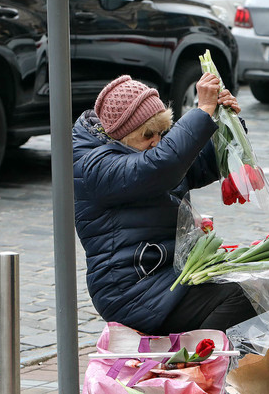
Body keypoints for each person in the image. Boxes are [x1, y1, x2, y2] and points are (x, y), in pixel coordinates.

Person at [72, 73, 258, 335]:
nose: (157, 141)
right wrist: (201, 111)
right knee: (241, 297)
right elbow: (163, 165)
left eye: (162, 133)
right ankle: (196, 366)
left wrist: (224, 121)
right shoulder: (95, 166)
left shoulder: (142, 152)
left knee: (260, 286)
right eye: (149, 134)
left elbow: (194, 164)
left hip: (167, 275)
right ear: (123, 134)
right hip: (132, 290)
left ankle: (218, 367)